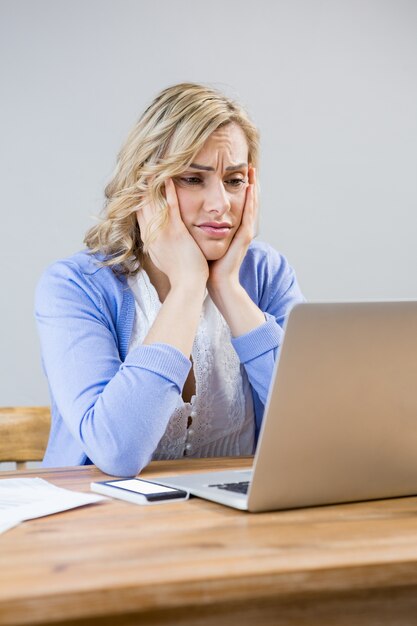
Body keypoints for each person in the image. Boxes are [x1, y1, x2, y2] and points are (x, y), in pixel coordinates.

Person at [35, 82, 304, 477]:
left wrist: (227, 287)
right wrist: (188, 288)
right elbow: (117, 452)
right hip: (102, 527)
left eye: (234, 180)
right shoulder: (74, 287)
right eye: (193, 179)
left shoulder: (266, 274)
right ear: (146, 184)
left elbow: (315, 425)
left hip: (239, 525)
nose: (220, 204)